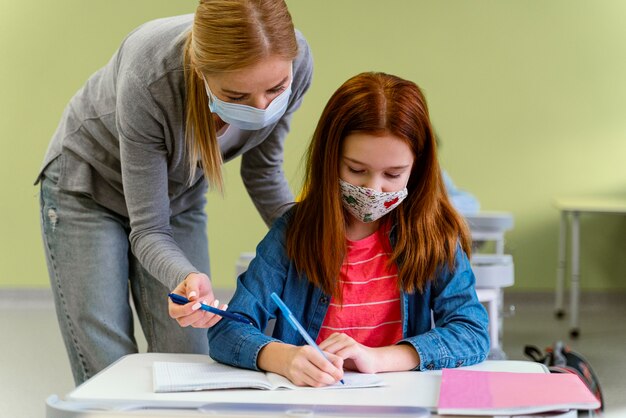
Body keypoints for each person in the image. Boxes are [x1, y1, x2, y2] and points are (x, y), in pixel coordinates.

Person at [36, 0, 312, 385]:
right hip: (89, 188)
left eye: (275, 89)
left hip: (177, 195)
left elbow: (263, 172)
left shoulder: (297, 63)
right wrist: (185, 274)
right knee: (110, 363)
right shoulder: (149, 76)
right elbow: (148, 229)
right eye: (236, 96)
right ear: (201, 72)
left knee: (189, 357)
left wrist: (311, 239)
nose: (262, 107)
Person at [205, 72, 489, 387]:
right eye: (356, 170)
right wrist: (285, 358)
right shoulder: (294, 233)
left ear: (418, 168)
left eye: (394, 174)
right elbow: (227, 330)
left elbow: (472, 332)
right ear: (330, 159)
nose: (374, 189)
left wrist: (380, 357)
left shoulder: (434, 235)